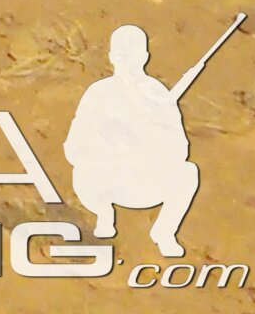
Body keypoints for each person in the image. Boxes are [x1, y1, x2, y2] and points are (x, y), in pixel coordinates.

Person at [65, 24, 206, 257]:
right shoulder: (98, 93)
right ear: (111, 57)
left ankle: (164, 231)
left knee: (187, 172)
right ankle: (103, 213)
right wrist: (108, 142)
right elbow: (74, 146)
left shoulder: (158, 95)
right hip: (105, 182)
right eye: (122, 54)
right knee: (84, 169)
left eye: (133, 54)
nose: (127, 60)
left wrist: (152, 138)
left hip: (144, 181)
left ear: (145, 57)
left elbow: (180, 148)